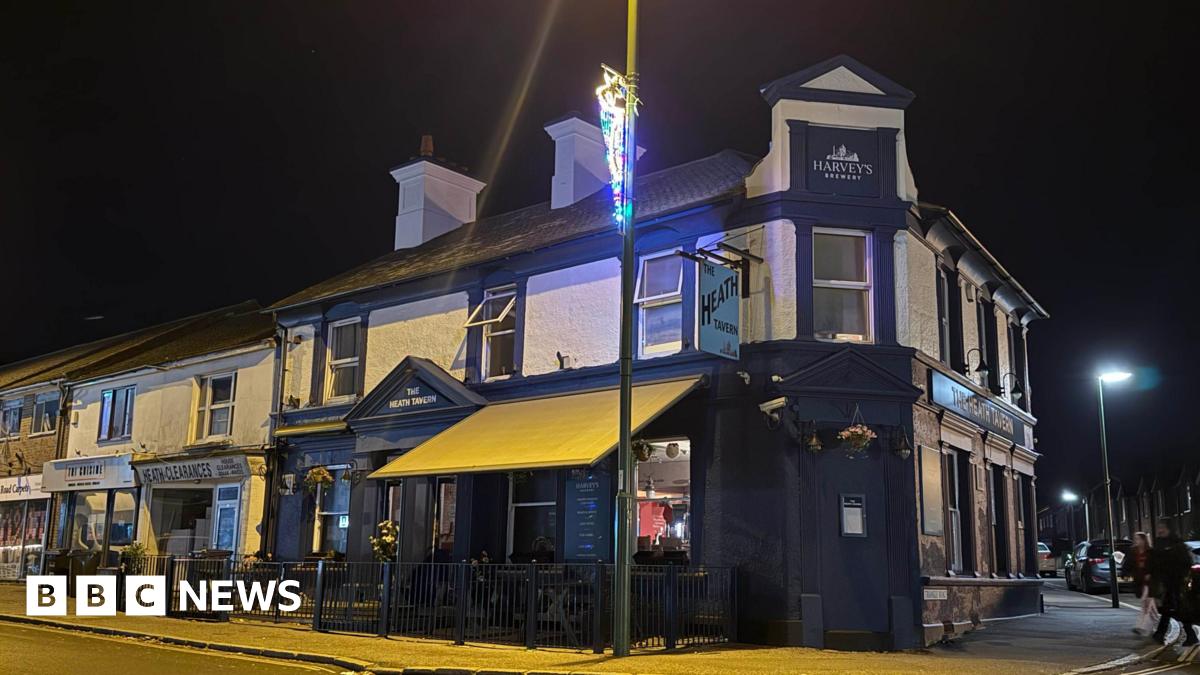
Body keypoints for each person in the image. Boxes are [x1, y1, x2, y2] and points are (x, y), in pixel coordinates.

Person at [1152, 520, 1198, 645]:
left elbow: (1186, 563)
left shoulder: (1177, 544)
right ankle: (1188, 635)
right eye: (1159, 527)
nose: (1160, 530)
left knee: (1174, 609)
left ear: (1169, 529)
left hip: (1176, 583)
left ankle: (1162, 634)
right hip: (1166, 583)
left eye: (1162, 527)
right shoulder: (1160, 543)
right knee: (1170, 609)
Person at [1124, 531, 1158, 634]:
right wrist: (1124, 573)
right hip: (1140, 580)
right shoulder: (1133, 551)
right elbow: (1128, 563)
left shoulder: (1150, 552)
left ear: (1143, 540)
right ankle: (1149, 624)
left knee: (1146, 602)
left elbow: (1155, 565)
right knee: (1147, 603)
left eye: (1138, 539)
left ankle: (1143, 626)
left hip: (1149, 581)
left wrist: (1150, 573)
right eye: (1135, 539)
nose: (1136, 541)